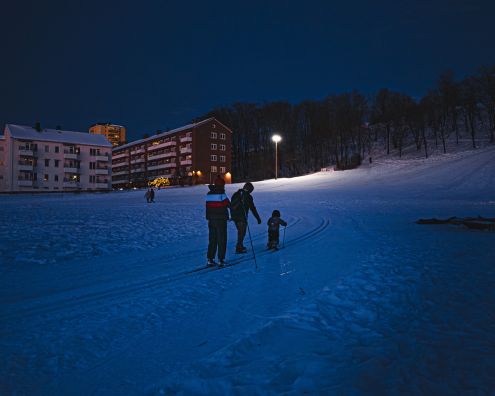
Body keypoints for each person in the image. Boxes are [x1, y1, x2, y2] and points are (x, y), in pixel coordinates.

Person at [205, 177, 231, 266]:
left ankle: (210, 259)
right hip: (221, 220)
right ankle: (221, 259)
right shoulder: (222, 194)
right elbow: (229, 205)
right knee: (221, 239)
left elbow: (208, 207)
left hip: (211, 220)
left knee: (212, 240)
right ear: (221, 185)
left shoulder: (208, 194)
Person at [230, 182, 261, 254]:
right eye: (251, 190)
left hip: (235, 216)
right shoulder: (247, 196)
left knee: (240, 232)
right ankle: (239, 247)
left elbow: (231, 206)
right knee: (242, 232)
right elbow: (252, 208)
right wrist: (258, 218)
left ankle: (240, 245)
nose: (251, 192)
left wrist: (232, 215)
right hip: (241, 217)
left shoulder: (235, 194)